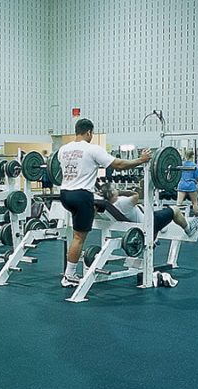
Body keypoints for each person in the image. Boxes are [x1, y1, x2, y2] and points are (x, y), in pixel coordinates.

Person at [58, 118, 150, 287]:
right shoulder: (92, 149)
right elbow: (119, 164)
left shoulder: (63, 150)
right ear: (89, 132)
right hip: (81, 196)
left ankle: (70, 270)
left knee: (82, 224)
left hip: (65, 195)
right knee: (79, 237)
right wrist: (140, 160)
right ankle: (69, 275)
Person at [99, 184, 198, 241]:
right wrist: (120, 191)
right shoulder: (122, 202)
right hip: (148, 225)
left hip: (138, 223)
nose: (116, 188)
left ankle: (161, 228)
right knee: (175, 210)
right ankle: (189, 229)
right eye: (114, 188)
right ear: (112, 193)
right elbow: (136, 195)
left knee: (145, 209)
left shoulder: (109, 206)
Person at [175, 150, 198, 216]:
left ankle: (176, 218)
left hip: (182, 185)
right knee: (195, 203)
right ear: (192, 156)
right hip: (191, 185)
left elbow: (176, 176)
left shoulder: (181, 165)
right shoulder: (194, 166)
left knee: (178, 203)